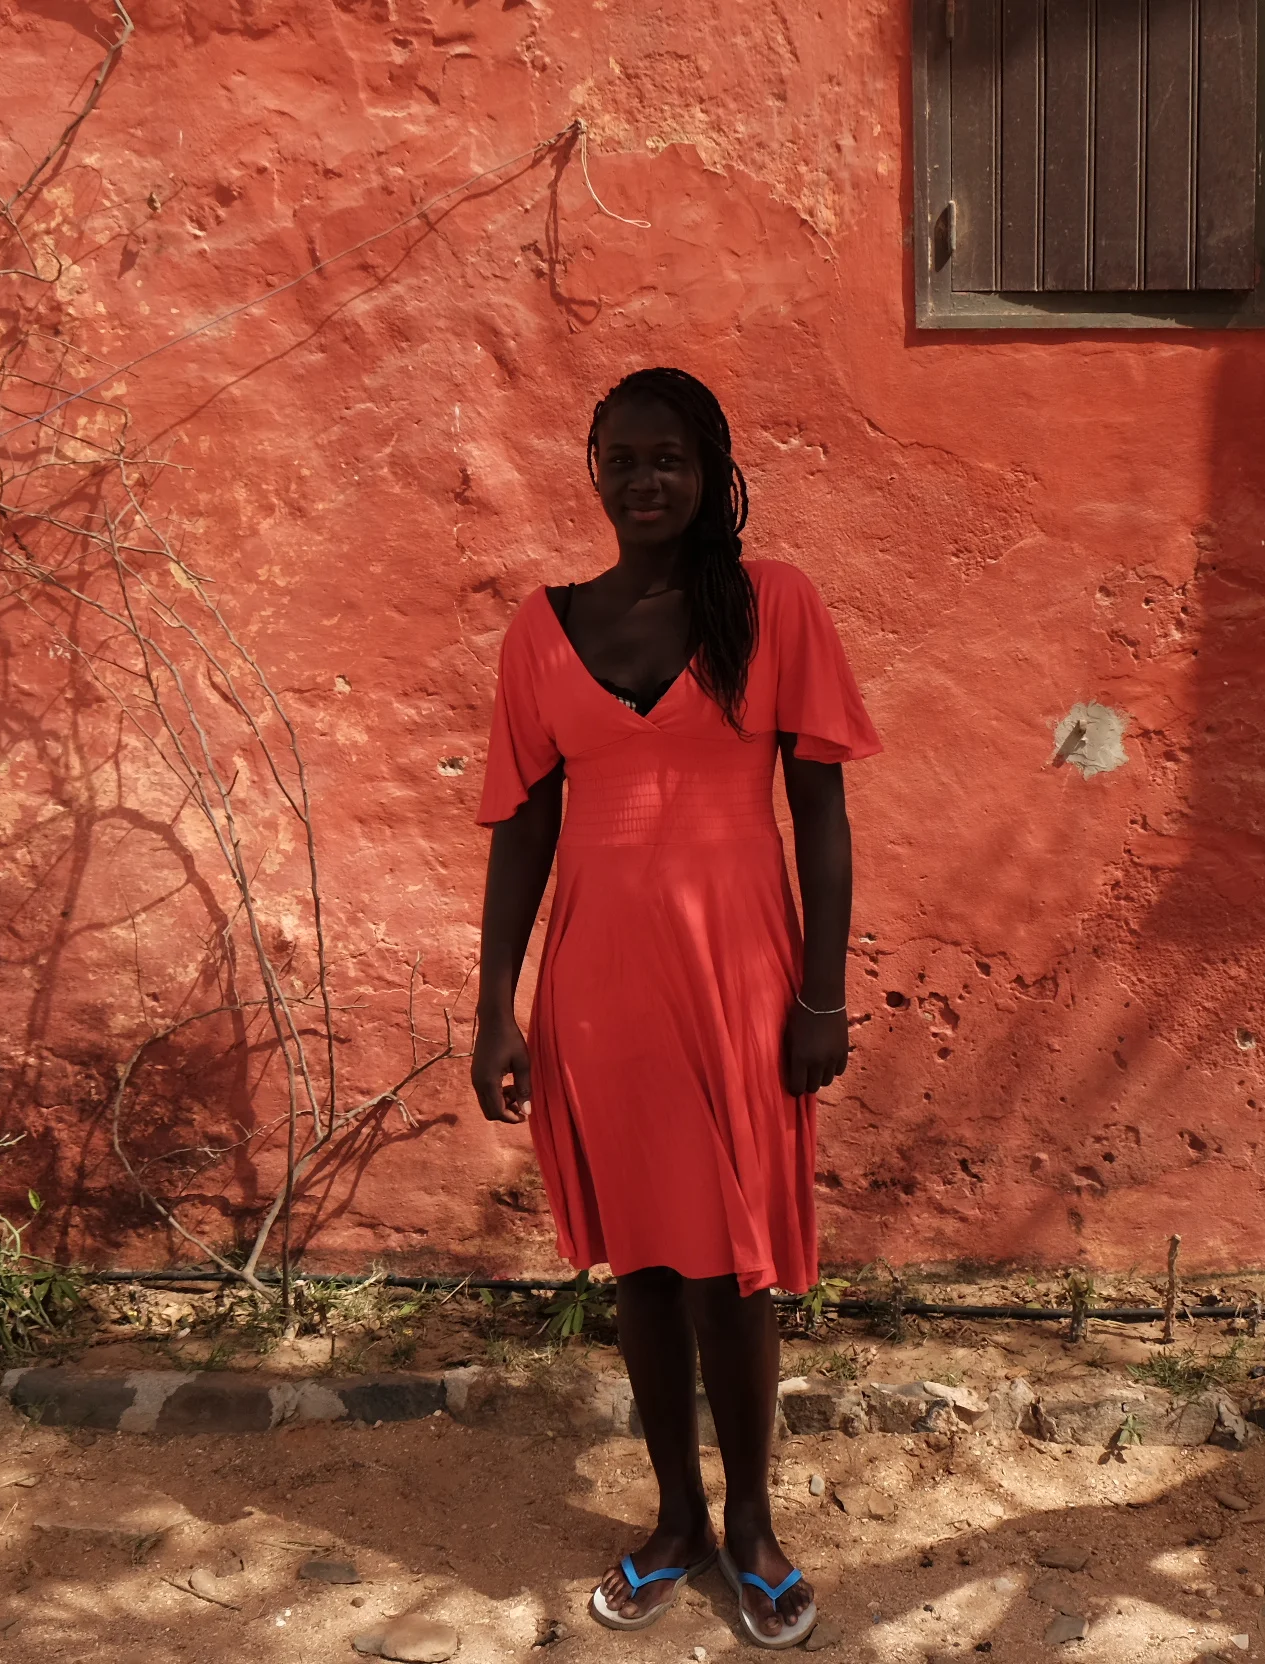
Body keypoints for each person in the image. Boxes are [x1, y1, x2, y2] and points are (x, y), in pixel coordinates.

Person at [470, 366, 879, 1649]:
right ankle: (675, 1518)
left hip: (741, 978)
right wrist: (495, 1002)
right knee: (645, 1264)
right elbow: (523, 825)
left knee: (734, 1266)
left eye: (671, 460)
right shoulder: (544, 628)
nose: (646, 482)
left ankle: (752, 1523)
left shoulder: (774, 607)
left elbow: (821, 808)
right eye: (623, 459)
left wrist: (823, 992)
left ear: (712, 473)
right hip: (597, 987)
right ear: (593, 470)